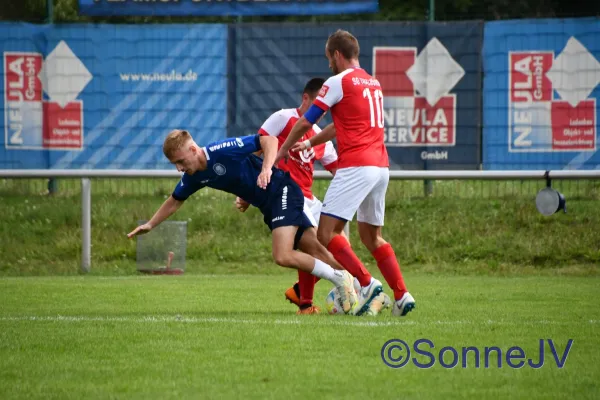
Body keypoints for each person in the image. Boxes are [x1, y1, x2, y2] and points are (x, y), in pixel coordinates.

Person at [127, 129, 357, 315]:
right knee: (315, 249)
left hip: (282, 191)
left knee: (283, 255)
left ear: (193, 149)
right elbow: (175, 201)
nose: (179, 168)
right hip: (269, 204)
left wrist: (266, 169)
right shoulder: (193, 175)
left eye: (180, 161)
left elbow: (268, 139)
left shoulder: (221, 150)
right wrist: (150, 224)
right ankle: (360, 287)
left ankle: (338, 279)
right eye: (174, 164)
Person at [276, 29, 416, 317]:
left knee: (326, 233)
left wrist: (283, 150)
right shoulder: (372, 82)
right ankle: (402, 296)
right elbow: (341, 125)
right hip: (380, 167)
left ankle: (366, 284)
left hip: (356, 164)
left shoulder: (338, 82)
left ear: (337, 55)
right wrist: (311, 143)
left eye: (329, 57)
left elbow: (305, 121)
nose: (329, 64)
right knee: (371, 236)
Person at [235, 77, 340, 314]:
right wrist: (248, 194)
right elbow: (257, 153)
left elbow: (338, 171)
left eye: (325, 108)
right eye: (317, 104)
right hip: (287, 195)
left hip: (309, 198)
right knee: (312, 247)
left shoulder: (320, 135)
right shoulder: (283, 118)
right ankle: (320, 299)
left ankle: (301, 292)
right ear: (305, 98)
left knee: (339, 244)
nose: (322, 112)